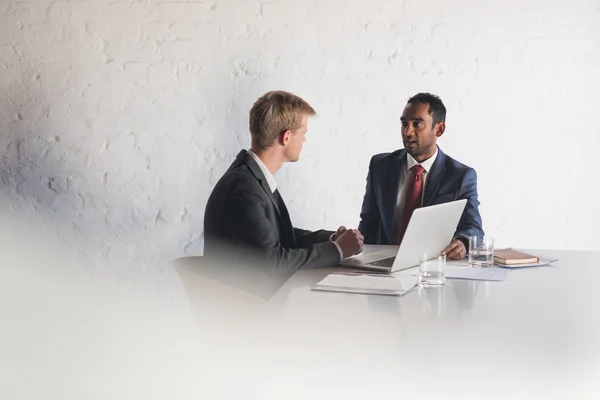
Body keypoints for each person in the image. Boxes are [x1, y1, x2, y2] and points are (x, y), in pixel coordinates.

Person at [204, 90, 364, 279]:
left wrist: (332, 239)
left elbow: (281, 235)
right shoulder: (244, 188)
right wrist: (337, 250)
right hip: (249, 303)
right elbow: (272, 263)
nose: (304, 140)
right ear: (286, 137)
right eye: (303, 133)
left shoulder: (252, 176)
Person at [358, 92, 483, 260]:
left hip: (432, 265)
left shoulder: (460, 176)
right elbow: (368, 223)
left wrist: (462, 242)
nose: (408, 131)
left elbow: (473, 227)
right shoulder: (380, 166)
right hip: (383, 264)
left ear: (439, 129)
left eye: (417, 124)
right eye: (404, 123)